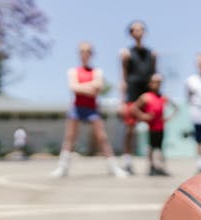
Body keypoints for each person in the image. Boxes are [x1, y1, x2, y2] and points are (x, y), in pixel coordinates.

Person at [51, 42, 127, 178]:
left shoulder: (97, 71)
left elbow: (97, 88)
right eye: (82, 51)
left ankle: (113, 167)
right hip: (76, 108)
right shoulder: (73, 71)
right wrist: (89, 87)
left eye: (88, 51)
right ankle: (62, 168)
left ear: (92, 54)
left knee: (102, 137)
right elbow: (73, 87)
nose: (85, 53)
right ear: (79, 54)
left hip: (92, 109)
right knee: (69, 137)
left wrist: (82, 87)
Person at [120, 20, 157, 174]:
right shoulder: (126, 54)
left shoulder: (152, 54)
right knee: (130, 129)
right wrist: (122, 101)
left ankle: (153, 164)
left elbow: (154, 76)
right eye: (135, 30)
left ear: (145, 32)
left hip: (148, 96)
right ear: (130, 33)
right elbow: (123, 78)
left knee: (153, 130)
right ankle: (128, 162)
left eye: (141, 29)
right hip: (132, 95)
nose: (138, 32)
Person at [132, 73, 178, 176]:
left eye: (159, 82)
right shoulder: (146, 97)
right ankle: (151, 167)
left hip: (161, 126)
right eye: (155, 82)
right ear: (150, 83)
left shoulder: (163, 97)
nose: (157, 84)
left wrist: (168, 118)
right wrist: (143, 116)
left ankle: (161, 167)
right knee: (151, 147)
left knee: (160, 148)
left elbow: (175, 107)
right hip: (151, 127)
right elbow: (134, 108)